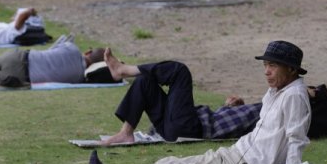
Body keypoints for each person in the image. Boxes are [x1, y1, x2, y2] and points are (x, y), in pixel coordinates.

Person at [88, 40, 311, 164]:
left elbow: (296, 140)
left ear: (291, 69)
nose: (266, 71)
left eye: (273, 66)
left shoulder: (294, 96)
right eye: (266, 65)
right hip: (236, 154)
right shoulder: (277, 91)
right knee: (169, 162)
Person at [101, 52, 262, 145]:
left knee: (179, 71)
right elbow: (229, 121)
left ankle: (124, 70)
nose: (267, 71)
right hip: (174, 125)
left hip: (190, 129)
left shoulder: (272, 108)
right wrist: (229, 107)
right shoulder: (268, 104)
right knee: (145, 81)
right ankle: (126, 133)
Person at [0, 35, 106, 87]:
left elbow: (53, 49)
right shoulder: (79, 79)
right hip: (20, 77)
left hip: (19, 57)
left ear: (88, 52)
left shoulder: (71, 48)